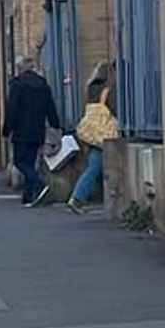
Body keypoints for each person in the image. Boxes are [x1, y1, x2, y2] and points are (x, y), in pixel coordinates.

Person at [2, 57, 61, 207]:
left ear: (21, 68)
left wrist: (7, 130)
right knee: (29, 162)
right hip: (37, 130)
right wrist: (55, 124)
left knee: (19, 161)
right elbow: (50, 106)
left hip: (21, 131)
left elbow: (12, 109)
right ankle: (28, 197)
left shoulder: (17, 84)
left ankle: (39, 183)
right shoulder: (42, 84)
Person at [69, 61, 118, 214]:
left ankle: (82, 197)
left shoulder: (90, 89)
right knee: (95, 168)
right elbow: (114, 110)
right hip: (104, 135)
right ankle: (77, 197)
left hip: (92, 135)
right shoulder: (109, 91)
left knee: (95, 167)